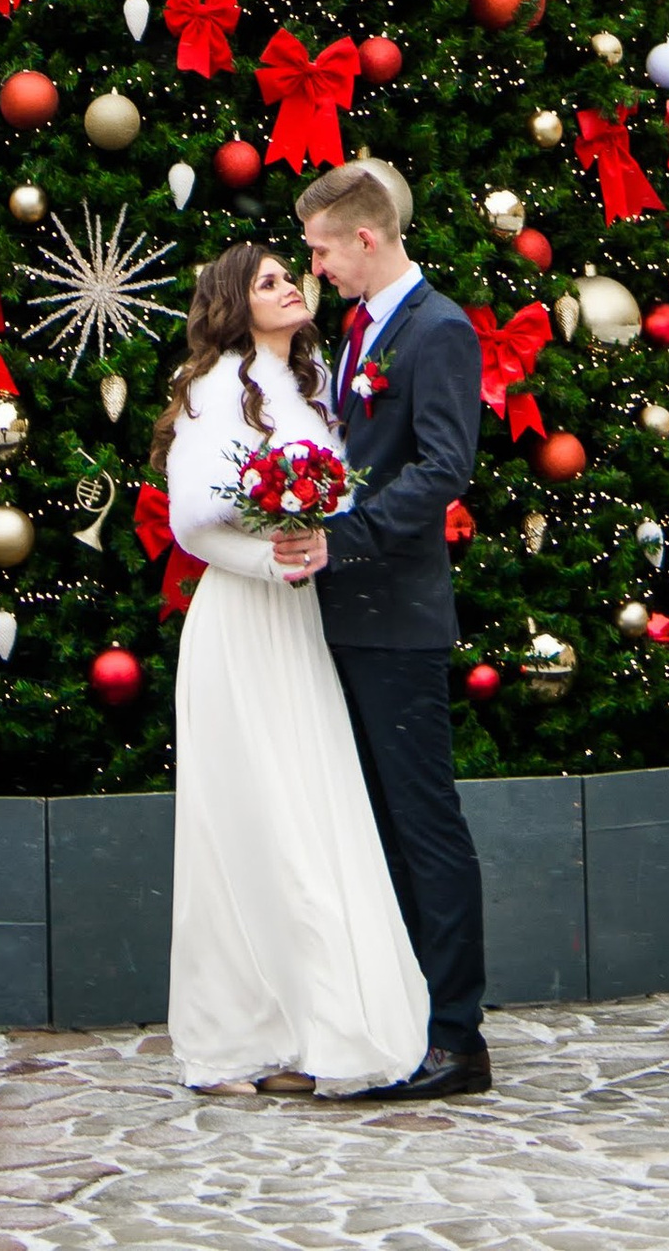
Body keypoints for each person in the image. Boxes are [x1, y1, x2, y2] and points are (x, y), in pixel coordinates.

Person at [157, 237, 432, 1097]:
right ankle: (232, 1041)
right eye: (268, 280)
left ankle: (310, 1027)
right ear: (235, 303)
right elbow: (193, 521)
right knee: (250, 821)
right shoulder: (212, 392)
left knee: (310, 809)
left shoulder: (308, 387)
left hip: (299, 622)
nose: (289, 286)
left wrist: (312, 546)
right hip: (242, 624)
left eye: (290, 274)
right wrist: (269, 560)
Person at [286, 159, 493, 1100]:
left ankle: (457, 1036)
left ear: (366, 239)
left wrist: (346, 539)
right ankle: (400, 1015)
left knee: (424, 824)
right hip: (343, 610)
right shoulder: (361, 328)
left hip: (397, 615)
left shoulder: (437, 329)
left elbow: (445, 467)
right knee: (373, 824)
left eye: (324, 250)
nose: (315, 267)